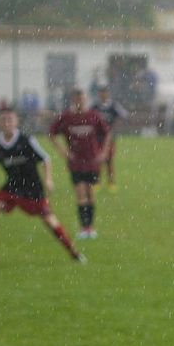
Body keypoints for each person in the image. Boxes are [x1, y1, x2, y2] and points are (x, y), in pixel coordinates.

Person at [0, 107, 85, 264]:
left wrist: (48, 180)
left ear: (16, 122)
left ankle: (74, 253)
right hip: (12, 187)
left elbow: (45, 159)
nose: (7, 123)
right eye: (3, 120)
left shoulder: (26, 140)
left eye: (10, 119)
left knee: (50, 221)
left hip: (32, 189)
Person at [49, 88, 111, 239]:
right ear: (72, 100)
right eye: (77, 99)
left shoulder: (94, 116)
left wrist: (103, 153)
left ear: (86, 99)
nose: (79, 101)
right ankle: (84, 228)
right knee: (81, 192)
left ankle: (90, 228)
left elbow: (108, 133)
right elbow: (51, 134)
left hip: (92, 162)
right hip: (76, 162)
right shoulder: (66, 117)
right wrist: (64, 152)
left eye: (82, 99)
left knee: (90, 193)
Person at [91, 85, 128, 191]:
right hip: (97, 138)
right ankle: (96, 182)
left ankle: (111, 182)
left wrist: (114, 127)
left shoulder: (113, 106)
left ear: (108, 93)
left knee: (109, 160)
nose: (103, 95)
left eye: (105, 92)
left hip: (109, 138)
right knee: (97, 160)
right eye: (101, 93)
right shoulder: (95, 107)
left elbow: (124, 115)